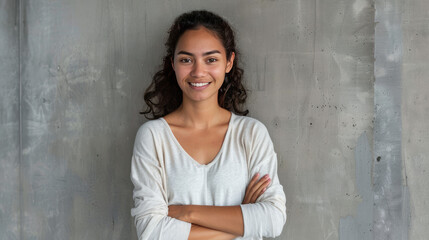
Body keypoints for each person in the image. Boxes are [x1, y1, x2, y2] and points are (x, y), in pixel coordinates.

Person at [130, 10, 286, 240]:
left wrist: (187, 212)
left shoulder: (251, 134)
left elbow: (273, 220)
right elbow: (151, 232)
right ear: (173, 64)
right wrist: (240, 220)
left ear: (229, 62)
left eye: (211, 59)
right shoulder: (153, 137)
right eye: (186, 59)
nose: (198, 72)